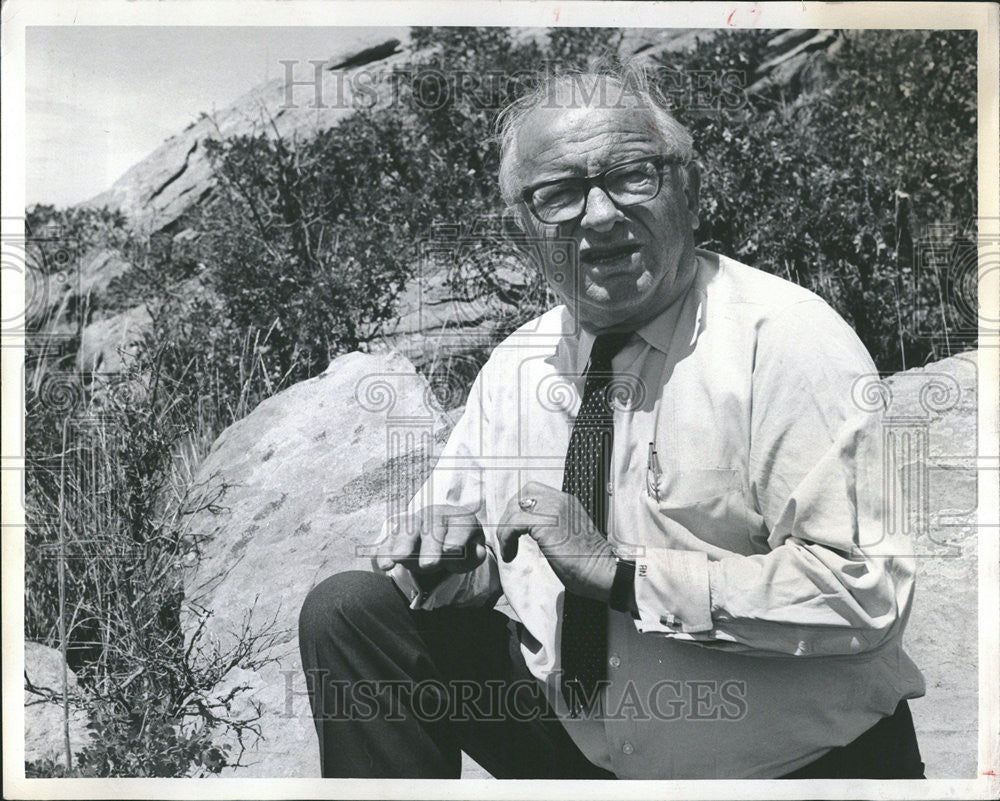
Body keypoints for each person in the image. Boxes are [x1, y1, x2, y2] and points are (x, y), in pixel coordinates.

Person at [298, 66, 927, 780]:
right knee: (350, 610)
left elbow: (865, 593)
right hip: (582, 745)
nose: (599, 215)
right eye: (559, 194)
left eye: (631, 176)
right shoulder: (516, 367)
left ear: (686, 188)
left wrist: (620, 575)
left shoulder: (785, 341)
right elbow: (461, 565)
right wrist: (451, 563)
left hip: (793, 766)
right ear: (520, 230)